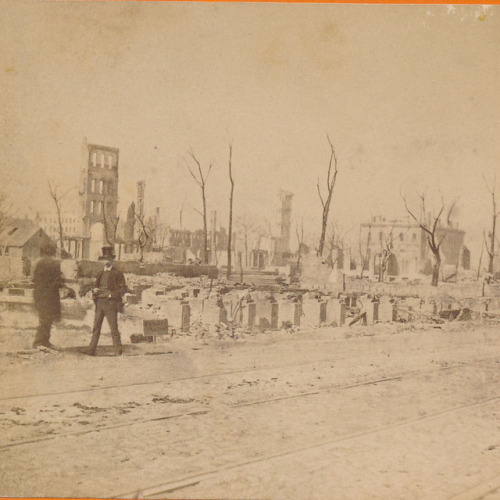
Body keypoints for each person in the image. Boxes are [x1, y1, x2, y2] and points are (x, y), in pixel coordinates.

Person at [86, 246, 127, 356]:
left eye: (108, 259)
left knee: (114, 328)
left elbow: (123, 289)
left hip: (110, 303)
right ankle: (91, 350)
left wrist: (111, 295)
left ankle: (118, 351)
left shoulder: (118, 273)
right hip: (100, 303)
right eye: (104, 259)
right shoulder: (100, 273)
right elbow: (95, 286)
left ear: (112, 260)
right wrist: (94, 290)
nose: (106, 261)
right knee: (96, 328)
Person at [33, 244, 63, 350]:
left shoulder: (38, 263)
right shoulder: (54, 263)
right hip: (50, 295)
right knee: (47, 320)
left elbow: (35, 279)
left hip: (39, 294)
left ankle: (44, 341)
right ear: (53, 252)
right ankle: (39, 342)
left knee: (44, 318)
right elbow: (58, 281)